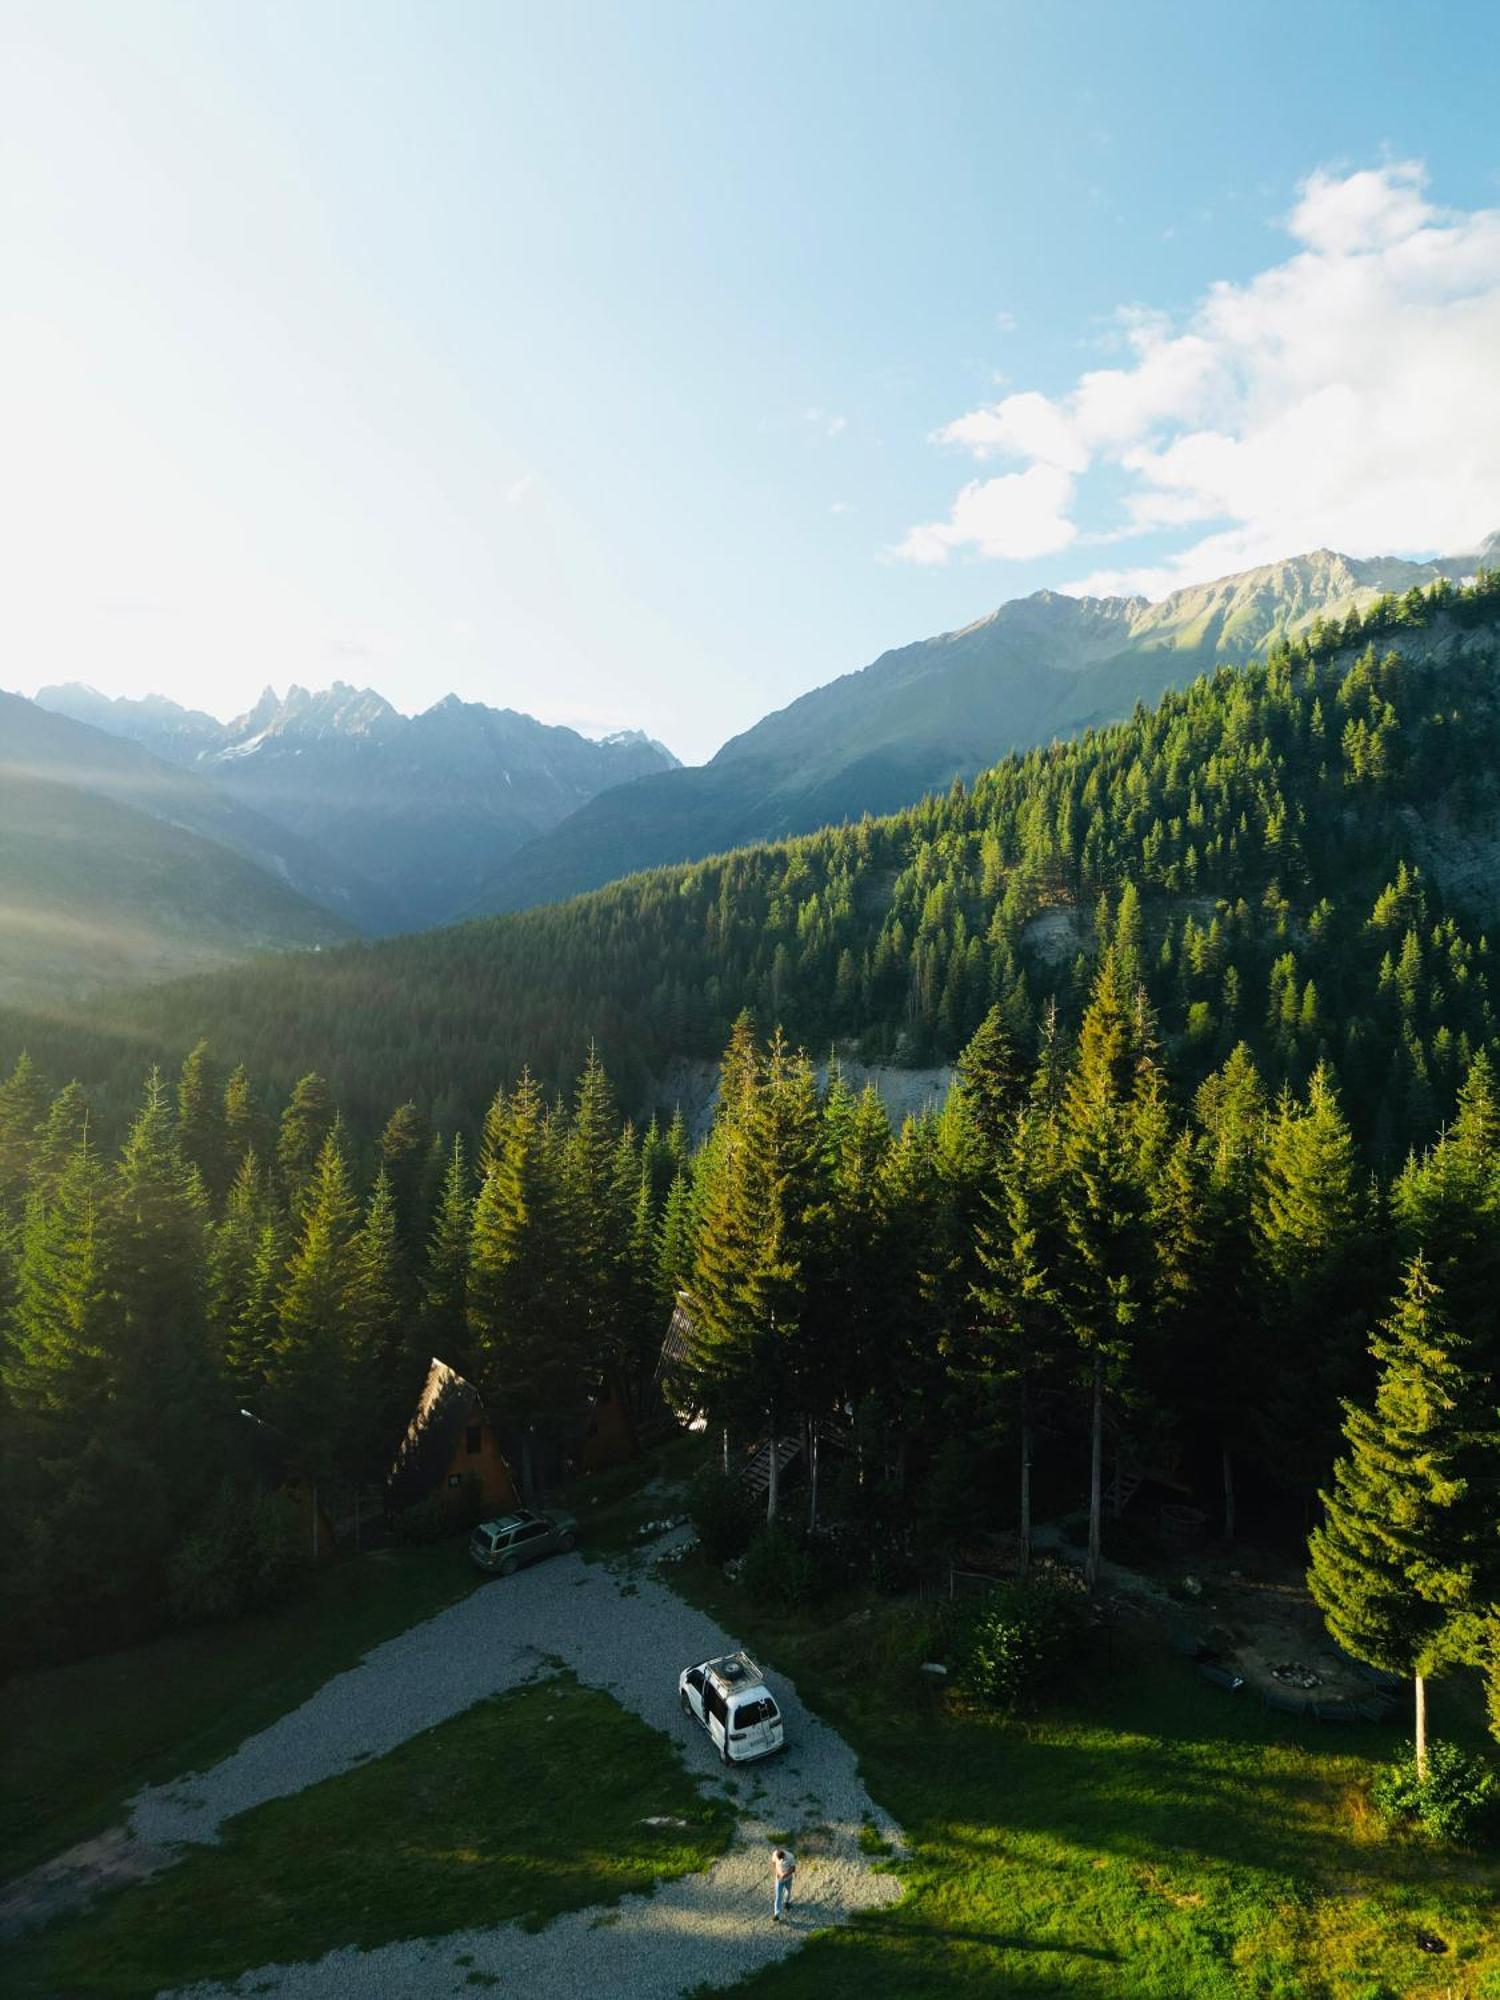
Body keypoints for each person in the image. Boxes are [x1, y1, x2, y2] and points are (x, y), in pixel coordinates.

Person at [771, 1845, 796, 1922]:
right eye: (778, 1859)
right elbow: (774, 1863)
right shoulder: (775, 1854)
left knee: (788, 1892)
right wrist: (776, 1872)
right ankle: (777, 1914)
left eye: (781, 1859)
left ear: (783, 1855)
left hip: (788, 1878)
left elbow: (793, 1868)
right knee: (778, 1896)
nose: (780, 1860)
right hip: (779, 1879)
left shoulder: (790, 1857)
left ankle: (786, 1902)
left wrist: (786, 1874)